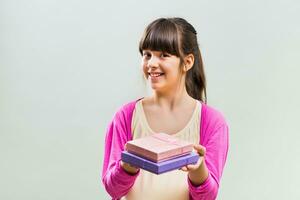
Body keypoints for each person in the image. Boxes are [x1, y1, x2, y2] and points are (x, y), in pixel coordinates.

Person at [101, 17, 229, 200]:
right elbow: (113, 189)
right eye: (147, 54)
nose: (152, 63)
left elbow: (207, 197)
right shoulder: (125, 116)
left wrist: (199, 170)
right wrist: (128, 164)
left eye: (164, 55)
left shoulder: (212, 122)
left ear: (187, 62)